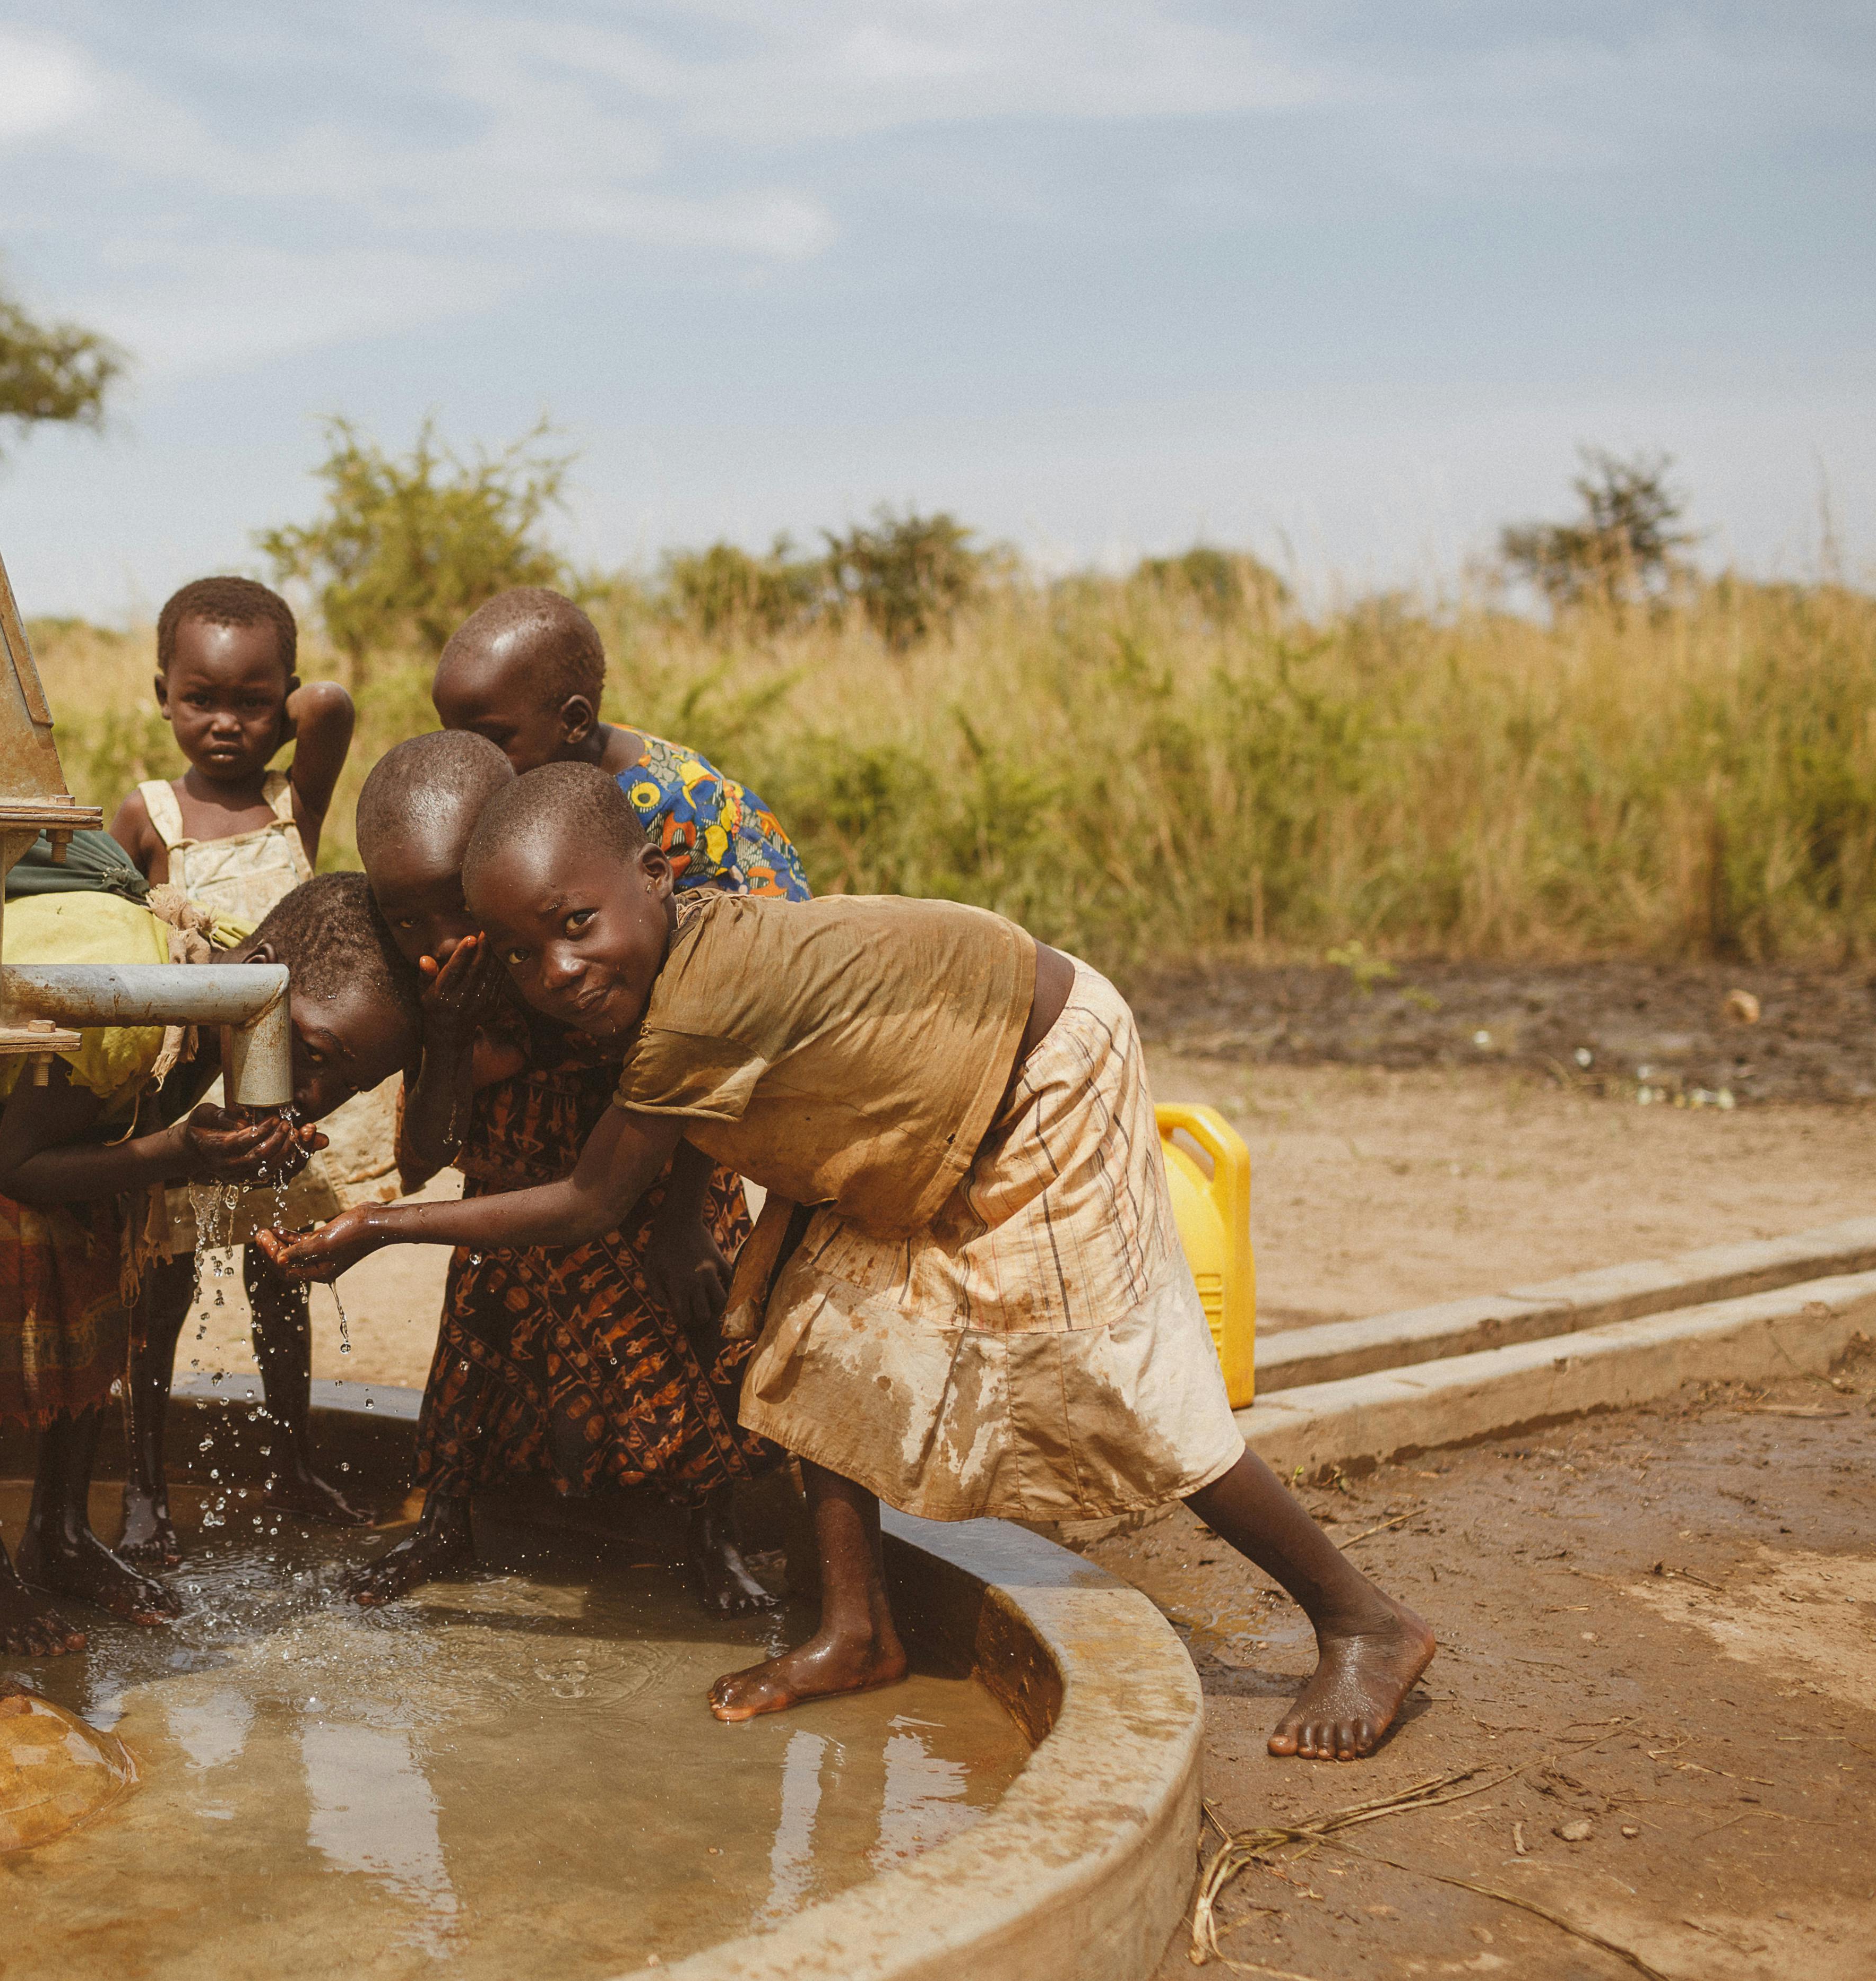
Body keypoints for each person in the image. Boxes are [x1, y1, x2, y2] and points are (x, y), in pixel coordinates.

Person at [263, 765, 1438, 1763]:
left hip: (1038, 1079)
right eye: (524, 953)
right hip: (932, 1111)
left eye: (576, 926)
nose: (560, 971)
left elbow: (585, 1202)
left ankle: (1359, 1618)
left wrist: (377, 1228)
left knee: (1115, 1378)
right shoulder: (667, 968)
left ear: (654, 880)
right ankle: (858, 1629)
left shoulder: (692, 1006)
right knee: (808, 1346)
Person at [343, 719, 781, 1617]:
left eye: (453, 907)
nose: (436, 937)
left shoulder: (584, 950)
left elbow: (692, 1088)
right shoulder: (446, 988)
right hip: (509, 1206)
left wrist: (683, 1220)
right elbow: (426, 1154)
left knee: (692, 1346)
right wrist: (450, 1035)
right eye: (406, 917)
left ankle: (713, 1531)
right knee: (475, 1365)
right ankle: (444, 1522)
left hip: (660, 1188)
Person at [0, 865, 419, 1648]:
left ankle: (59, 1534)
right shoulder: (132, 1001)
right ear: (260, 982)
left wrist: (194, 1153)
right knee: (5, 1275)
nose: (317, 1095)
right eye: (316, 1055)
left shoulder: (227, 979)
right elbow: (9, 1166)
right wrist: (175, 1153)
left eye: (349, 1084)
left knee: (104, 1236)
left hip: (36, 1125)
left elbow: (116, 1136)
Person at [108, 578, 379, 1563]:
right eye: (199, 700)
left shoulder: (291, 809)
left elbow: (335, 709)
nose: (224, 724)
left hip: (278, 1106)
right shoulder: (146, 817)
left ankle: (293, 1457)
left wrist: (288, 711)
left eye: (251, 703)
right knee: (160, 1298)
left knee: (283, 1284)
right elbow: (114, 946)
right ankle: (143, 1480)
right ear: (162, 696)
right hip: (184, 1102)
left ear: (282, 701)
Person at [431, 586, 808, 898]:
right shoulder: (546, 761)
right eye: (455, 738)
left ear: (574, 722)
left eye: (492, 738)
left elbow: (713, 941)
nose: (467, 760)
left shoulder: (680, 810)